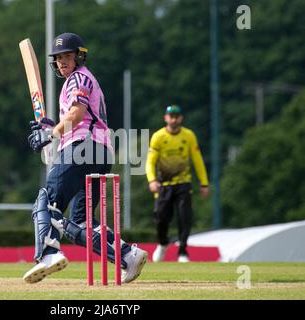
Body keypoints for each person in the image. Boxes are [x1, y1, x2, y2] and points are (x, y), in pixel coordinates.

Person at [23, 32, 147, 283]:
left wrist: (52, 133)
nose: (62, 62)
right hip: (99, 152)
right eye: (58, 58)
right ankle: (128, 255)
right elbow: (76, 115)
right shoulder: (84, 79)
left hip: (82, 147)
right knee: (79, 224)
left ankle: (49, 253)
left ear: (79, 56)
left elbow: (77, 114)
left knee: (46, 201)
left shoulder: (77, 78)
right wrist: (52, 128)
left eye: (67, 56)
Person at [145, 105, 209, 263]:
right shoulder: (158, 137)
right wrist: (152, 180)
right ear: (165, 118)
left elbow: (197, 160)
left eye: (177, 116)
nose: (174, 119)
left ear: (181, 118)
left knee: (184, 217)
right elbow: (150, 162)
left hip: (183, 184)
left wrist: (204, 183)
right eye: (171, 116)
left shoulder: (188, 136)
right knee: (161, 217)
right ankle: (162, 243)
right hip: (163, 184)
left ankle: (182, 251)